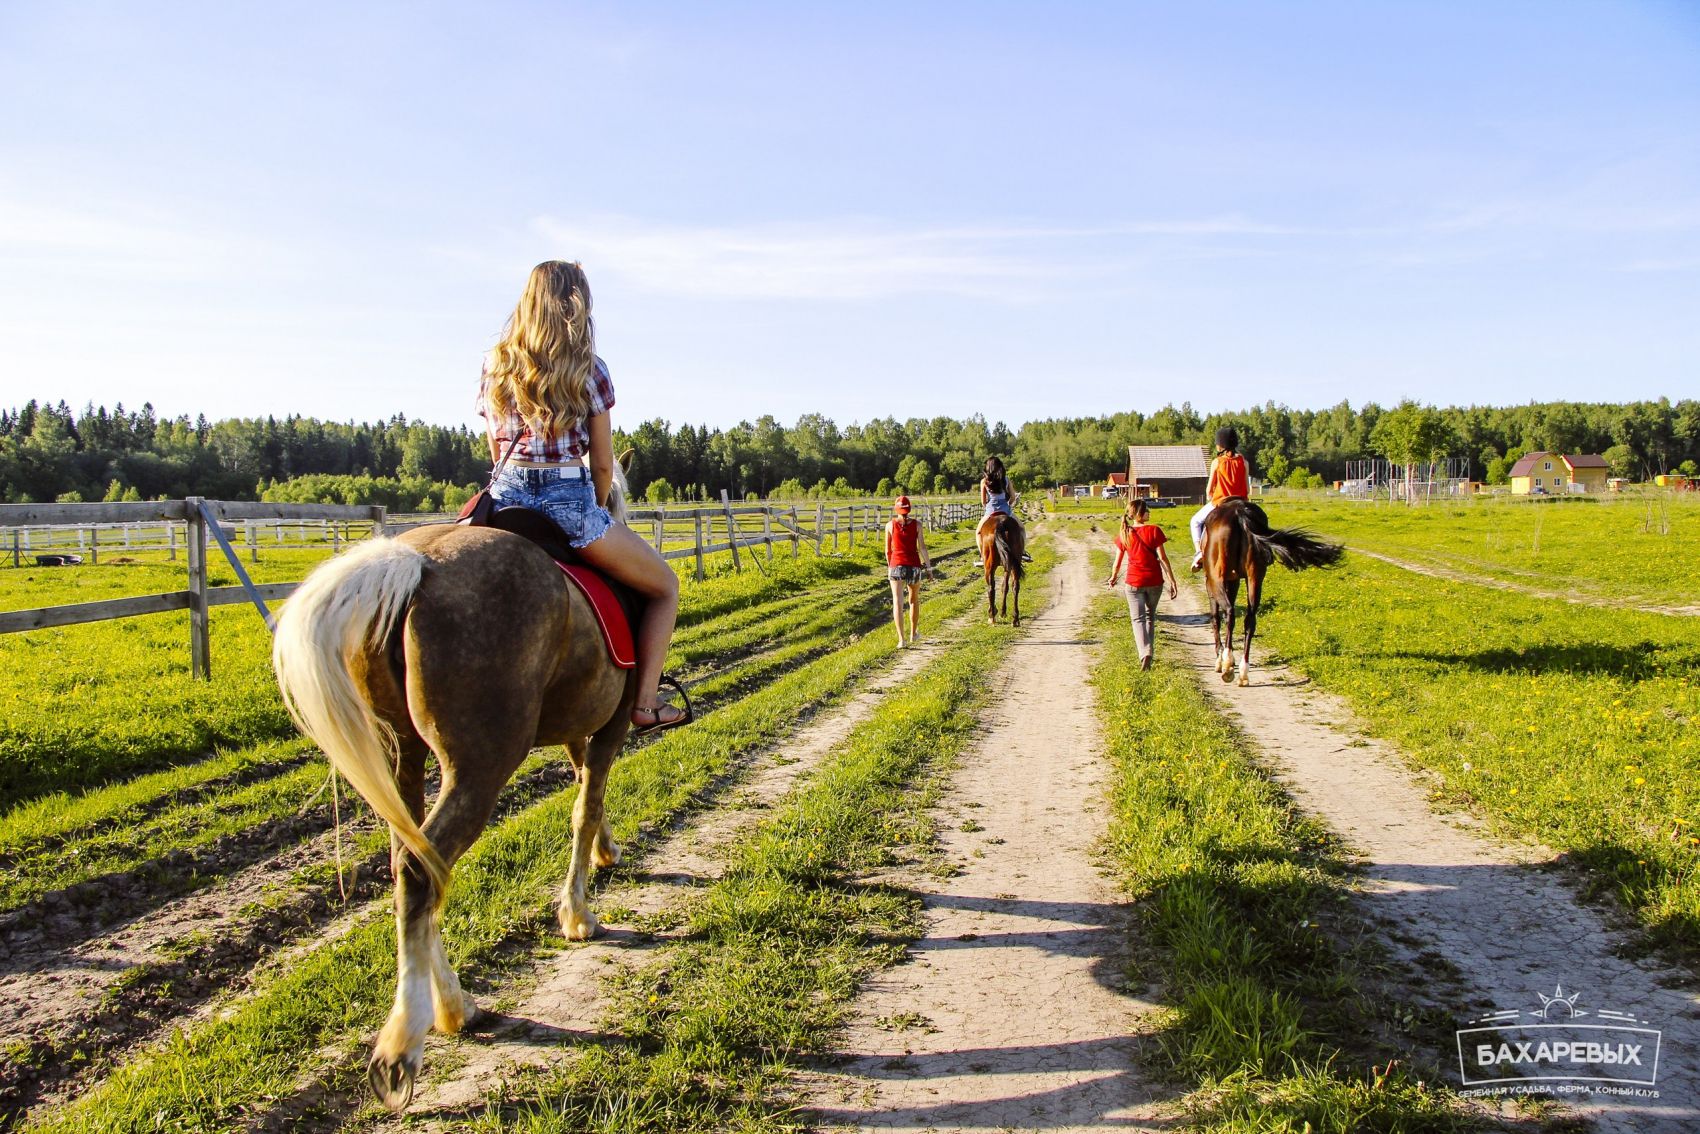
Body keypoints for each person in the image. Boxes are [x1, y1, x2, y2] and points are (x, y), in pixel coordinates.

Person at [479, 260, 687, 735]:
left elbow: (494, 448)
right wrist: (592, 506)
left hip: (504, 497)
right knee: (665, 587)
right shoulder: (590, 369)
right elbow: (602, 463)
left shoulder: (496, 363)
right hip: (567, 505)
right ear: (578, 305)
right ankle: (647, 703)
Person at [1106, 498, 1178, 670]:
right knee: (1150, 617)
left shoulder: (1124, 533)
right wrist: (1172, 580)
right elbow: (1162, 558)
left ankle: (1145, 652)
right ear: (1139, 513)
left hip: (1133, 583)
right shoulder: (1155, 531)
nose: (1149, 513)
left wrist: (1113, 577)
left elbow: (1117, 562)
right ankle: (1149, 652)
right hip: (1155, 582)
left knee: (1137, 619)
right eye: (1147, 510)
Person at [1190, 426, 1251, 571]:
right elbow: (1248, 489)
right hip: (1241, 502)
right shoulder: (1244, 462)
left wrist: (1211, 497)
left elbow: (1209, 489)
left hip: (1220, 502)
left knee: (1195, 521)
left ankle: (1199, 552)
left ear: (1221, 445)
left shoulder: (1217, 462)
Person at [885, 495, 932, 648]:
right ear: (909, 508)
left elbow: (887, 551)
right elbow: (922, 548)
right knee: (913, 600)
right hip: (914, 566)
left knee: (898, 602)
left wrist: (890, 566)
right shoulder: (917, 525)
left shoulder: (889, 525)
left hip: (895, 566)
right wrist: (929, 568)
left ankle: (901, 640)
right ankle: (913, 634)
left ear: (896, 508)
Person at [980, 455, 1033, 561]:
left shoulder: (984, 481)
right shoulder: (1006, 480)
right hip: (1005, 511)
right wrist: (1008, 504)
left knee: (978, 532)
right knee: (1021, 528)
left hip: (991, 512)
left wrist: (988, 507)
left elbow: (983, 502)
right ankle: (1022, 552)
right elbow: (1013, 497)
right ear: (999, 467)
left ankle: (982, 555)